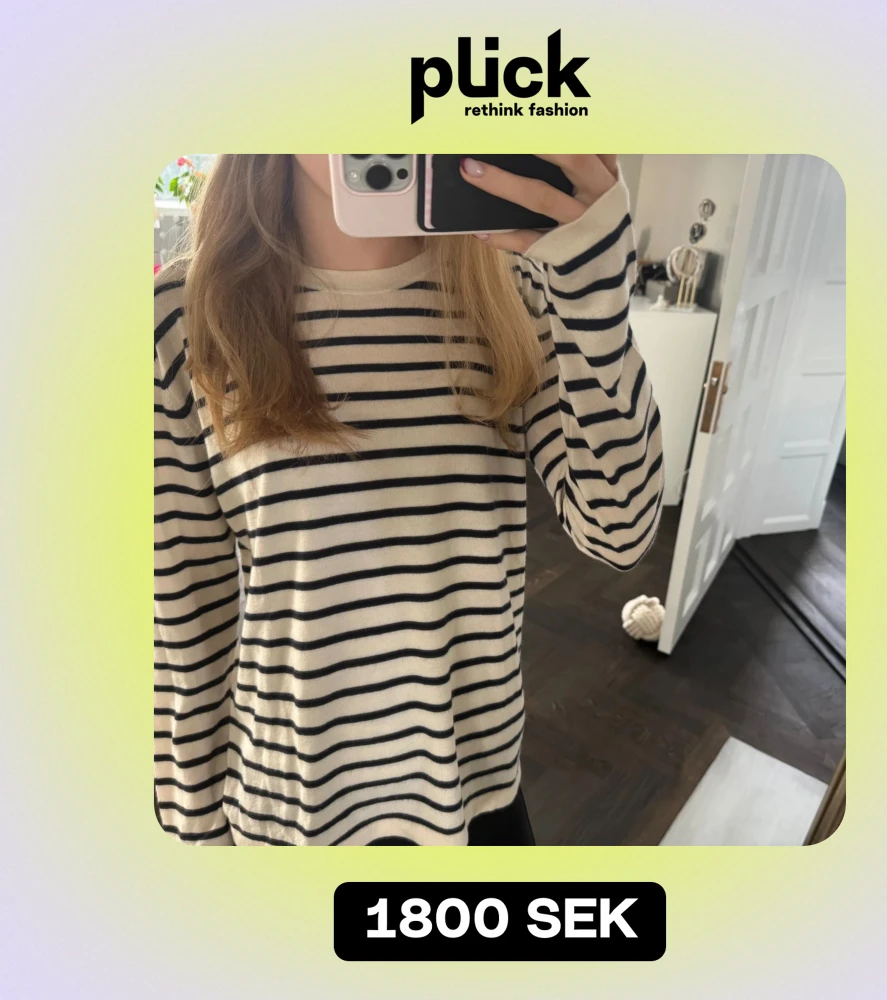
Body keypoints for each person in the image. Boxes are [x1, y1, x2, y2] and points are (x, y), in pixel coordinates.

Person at [154, 154, 664, 846]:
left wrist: (596, 298)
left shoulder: (519, 292)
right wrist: (196, 843)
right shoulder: (183, 318)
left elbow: (621, 530)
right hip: (292, 810)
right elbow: (186, 630)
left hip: (474, 790)